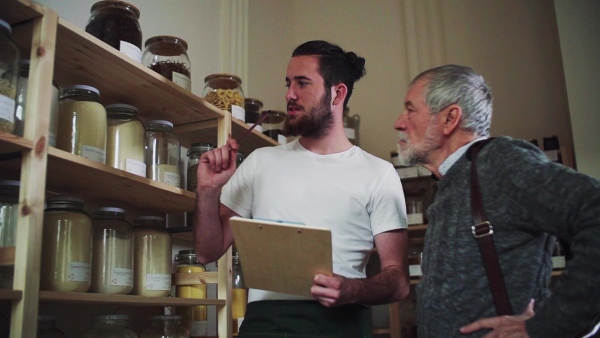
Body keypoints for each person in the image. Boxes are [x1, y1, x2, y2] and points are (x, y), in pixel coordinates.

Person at [194, 40, 410, 337]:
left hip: (342, 324)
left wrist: (351, 289)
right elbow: (207, 252)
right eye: (288, 83)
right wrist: (207, 192)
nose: (289, 94)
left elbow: (398, 281)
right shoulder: (260, 162)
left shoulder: (379, 173)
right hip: (263, 326)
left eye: (302, 83)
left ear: (338, 93)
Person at [394, 64, 600, 337]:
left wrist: (550, 325)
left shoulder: (500, 163)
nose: (399, 122)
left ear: (449, 118)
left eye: (410, 110)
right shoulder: (456, 178)